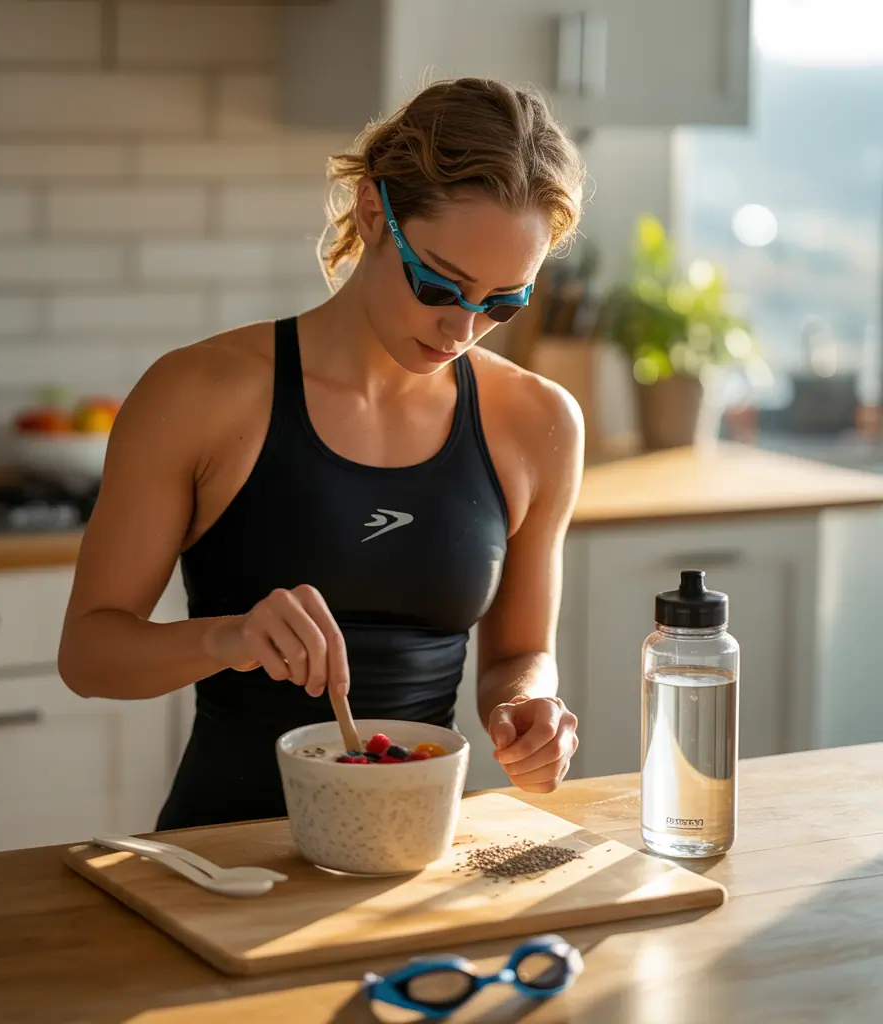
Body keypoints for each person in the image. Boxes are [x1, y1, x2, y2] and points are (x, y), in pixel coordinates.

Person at [57, 77, 587, 830]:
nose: (461, 331)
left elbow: (519, 654)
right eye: (440, 285)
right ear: (375, 214)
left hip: (418, 855)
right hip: (225, 857)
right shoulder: (200, 393)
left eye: (503, 302)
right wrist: (227, 636)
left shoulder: (538, 422)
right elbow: (88, 654)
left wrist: (529, 707)